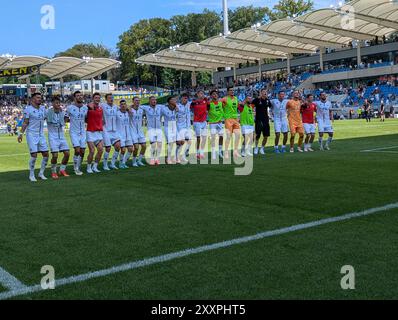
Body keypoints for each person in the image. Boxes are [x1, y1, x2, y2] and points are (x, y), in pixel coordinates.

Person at [17, 92, 49, 182]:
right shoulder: (28, 110)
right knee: (34, 155)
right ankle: (31, 174)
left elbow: (48, 118)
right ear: (33, 99)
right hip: (31, 134)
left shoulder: (43, 109)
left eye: (40, 97)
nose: (40, 99)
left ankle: (41, 173)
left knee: (46, 154)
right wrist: (20, 134)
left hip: (41, 134)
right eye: (38, 97)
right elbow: (25, 122)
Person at [47, 96, 70, 179]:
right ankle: (53, 171)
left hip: (61, 135)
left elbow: (64, 122)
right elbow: (48, 120)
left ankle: (62, 169)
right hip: (53, 136)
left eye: (59, 103)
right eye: (56, 103)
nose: (58, 104)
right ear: (52, 103)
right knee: (55, 155)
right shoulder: (49, 112)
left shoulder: (62, 112)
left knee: (67, 154)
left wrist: (63, 115)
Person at [66, 91, 88, 176]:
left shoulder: (85, 108)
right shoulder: (70, 107)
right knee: (77, 150)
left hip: (83, 132)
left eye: (81, 95)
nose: (80, 97)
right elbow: (66, 118)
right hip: (74, 132)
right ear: (74, 97)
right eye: (78, 96)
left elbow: (86, 119)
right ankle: (76, 168)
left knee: (82, 151)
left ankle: (78, 167)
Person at [141, 96, 163, 166]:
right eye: (153, 100)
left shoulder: (160, 107)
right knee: (153, 144)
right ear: (149, 101)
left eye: (155, 100)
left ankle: (157, 158)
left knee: (159, 145)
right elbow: (137, 105)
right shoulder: (146, 107)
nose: (154, 101)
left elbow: (169, 105)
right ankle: (152, 158)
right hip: (150, 128)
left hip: (159, 128)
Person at [86, 92, 105, 174]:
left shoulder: (101, 108)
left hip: (99, 132)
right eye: (96, 97)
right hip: (90, 132)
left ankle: (95, 166)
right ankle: (88, 167)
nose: (97, 99)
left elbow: (102, 119)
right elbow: (85, 118)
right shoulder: (88, 107)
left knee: (101, 150)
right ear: (93, 99)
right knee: (92, 151)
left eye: (98, 98)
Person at [102, 94, 122, 171]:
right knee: (108, 148)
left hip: (115, 131)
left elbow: (123, 109)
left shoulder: (116, 107)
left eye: (112, 98)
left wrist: (128, 109)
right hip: (106, 130)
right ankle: (105, 165)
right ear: (106, 99)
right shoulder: (103, 105)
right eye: (109, 98)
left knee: (118, 146)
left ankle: (112, 163)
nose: (111, 99)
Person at [221, 86, 241, 159]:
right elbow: (218, 105)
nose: (232, 91)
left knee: (238, 136)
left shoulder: (236, 98)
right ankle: (226, 153)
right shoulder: (225, 99)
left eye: (233, 90)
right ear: (227, 92)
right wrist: (222, 114)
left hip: (235, 119)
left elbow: (237, 108)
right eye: (230, 90)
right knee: (229, 137)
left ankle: (235, 152)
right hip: (228, 120)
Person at [252, 88, 271, 155]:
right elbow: (251, 106)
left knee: (266, 135)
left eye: (266, 92)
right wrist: (253, 114)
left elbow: (271, 107)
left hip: (266, 120)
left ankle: (262, 148)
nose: (265, 93)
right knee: (257, 135)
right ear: (261, 93)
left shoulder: (268, 100)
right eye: (263, 92)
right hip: (258, 120)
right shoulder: (257, 100)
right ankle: (256, 147)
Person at [190, 90, 208, 159]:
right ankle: (197, 152)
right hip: (197, 122)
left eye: (203, 93)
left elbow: (209, 107)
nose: (202, 94)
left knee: (204, 137)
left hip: (204, 122)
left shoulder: (205, 101)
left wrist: (206, 111)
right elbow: (189, 108)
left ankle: (202, 152)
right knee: (198, 138)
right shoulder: (194, 102)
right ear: (197, 94)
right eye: (200, 93)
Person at [116, 100, 134, 169]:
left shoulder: (128, 113)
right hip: (120, 134)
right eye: (122, 104)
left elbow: (132, 114)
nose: (123, 105)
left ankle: (123, 163)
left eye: (124, 104)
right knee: (123, 150)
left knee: (130, 149)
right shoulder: (117, 113)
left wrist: (128, 109)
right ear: (119, 106)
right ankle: (120, 164)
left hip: (128, 134)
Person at [207, 90, 224, 160]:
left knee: (221, 137)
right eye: (213, 94)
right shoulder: (209, 104)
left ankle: (220, 151)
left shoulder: (220, 103)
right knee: (213, 138)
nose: (215, 95)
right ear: (211, 96)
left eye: (216, 94)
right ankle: (213, 152)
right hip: (212, 123)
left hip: (220, 123)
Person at [129, 97, 146, 167]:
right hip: (132, 130)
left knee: (144, 146)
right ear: (133, 101)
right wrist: (129, 107)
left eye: (138, 100)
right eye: (136, 100)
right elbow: (125, 107)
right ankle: (134, 161)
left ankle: (139, 160)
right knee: (136, 147)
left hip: (140, 131)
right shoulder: (129, 110)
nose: (137, 102)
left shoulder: (141, 110)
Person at [176, 93, 192, 162]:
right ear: (181, 98)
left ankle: (183, 156)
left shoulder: (189, 104)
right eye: (184, 98)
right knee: (181, 143)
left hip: (188, 126)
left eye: (187, 98)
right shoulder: (177, 106)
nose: (186, 99)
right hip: (180, 127)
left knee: (189, 142)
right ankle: (177, 157)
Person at [162, 97, 178, 164]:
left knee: (180, 142)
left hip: (174, 126)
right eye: (172, 100)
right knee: (170, 143)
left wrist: (176, 106)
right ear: (169, 101)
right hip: (167, 127)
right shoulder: (164, 108)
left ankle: (176, 157)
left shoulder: (176, 107)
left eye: (174, 100)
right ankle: (168, 158)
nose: (174, 101)